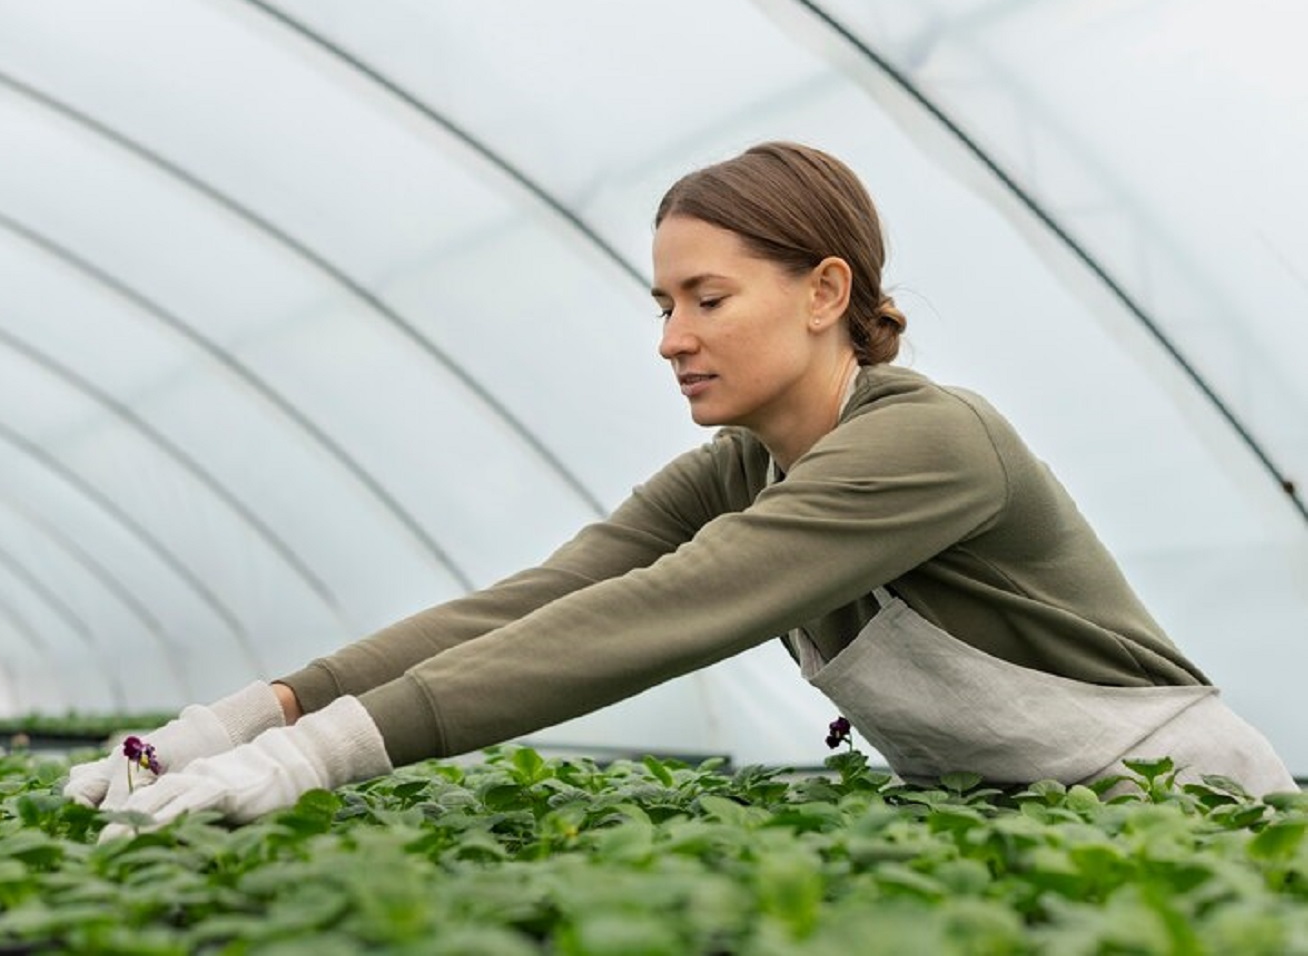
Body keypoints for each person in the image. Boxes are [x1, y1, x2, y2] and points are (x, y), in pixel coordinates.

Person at [66, 141, 1295, 828]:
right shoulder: (743, 467)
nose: (671, 339)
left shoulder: (931, 442)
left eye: (708, 299)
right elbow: (543, 601)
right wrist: (248, 719)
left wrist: (324, 757)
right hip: (1023, 825)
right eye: (663, 303)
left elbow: (669, 610)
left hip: (1183, 822)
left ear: (825, 292)